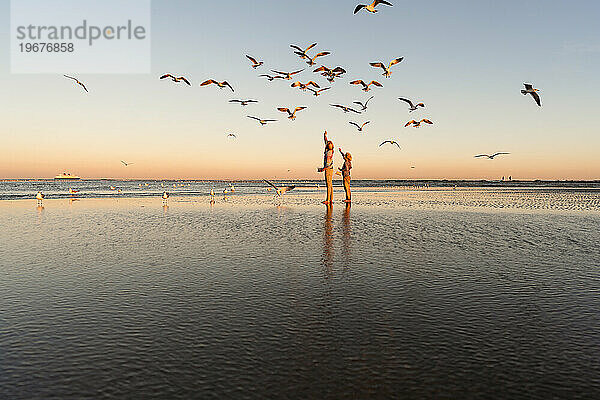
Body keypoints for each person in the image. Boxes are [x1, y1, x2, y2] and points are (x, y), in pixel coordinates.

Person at [317, 130, 334, 204]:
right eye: (329, 143)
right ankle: (330, 199)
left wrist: (323, 169)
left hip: (328, 169)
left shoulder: (329, 152)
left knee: (328, 184)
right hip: (329, 169)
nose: (329, 143)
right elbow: (326, 141)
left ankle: (328, 200)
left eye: (330, 143)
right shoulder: (328, 150)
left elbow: (328, 164)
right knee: (330, 184)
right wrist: (325, 135)